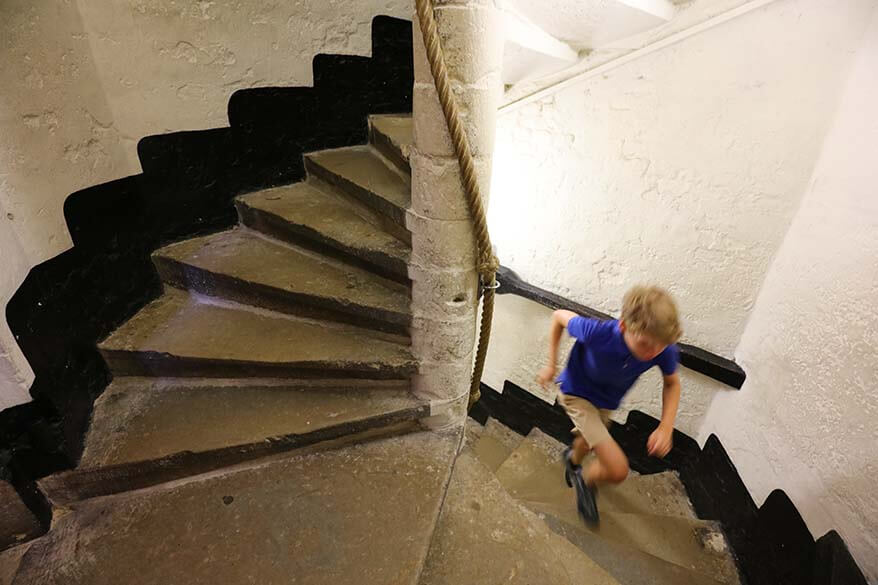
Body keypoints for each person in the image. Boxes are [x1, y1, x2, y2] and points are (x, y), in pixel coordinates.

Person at [537, 285, 682, 525]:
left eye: (661, 346)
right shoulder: (597, 332)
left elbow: (672, 383)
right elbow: (559, 317)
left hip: (605, 402)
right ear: (624, 326)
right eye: (646, 344)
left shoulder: (660, 347)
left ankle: (572, 459)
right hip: (576, 394)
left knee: (587, 440)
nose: (654, 352)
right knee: (617, 469)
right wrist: (551, 364)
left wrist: (666, 426)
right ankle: (586, 479)